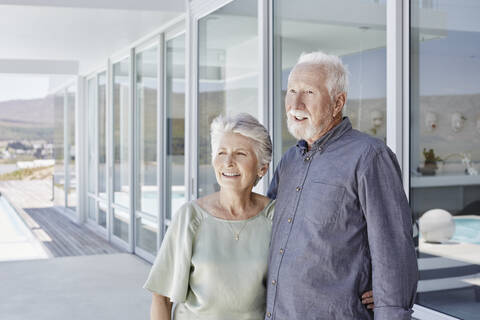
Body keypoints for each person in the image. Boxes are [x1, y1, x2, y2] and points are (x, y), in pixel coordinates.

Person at [144, 113, 374, 320]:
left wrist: (371, 282)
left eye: (240, 153)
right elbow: (162, 298)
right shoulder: (191, 217)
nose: (228, 162)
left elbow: (325, 250)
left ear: (262, 168)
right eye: (221, 153)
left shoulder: (278, 216)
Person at [265, 52, 418, 320]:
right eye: (291, 91)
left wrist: (390, 305)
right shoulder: (289, 161)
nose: (295, 103)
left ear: (338, 103)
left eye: (309, 92)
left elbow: (393, 249)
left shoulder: (370, 156)